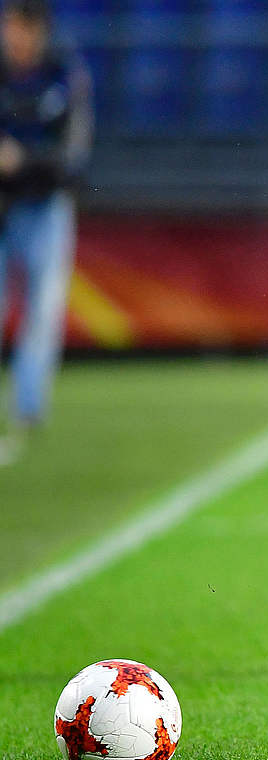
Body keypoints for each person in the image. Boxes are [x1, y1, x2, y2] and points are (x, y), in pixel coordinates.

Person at [0, 0, 91, 465]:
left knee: (41, 312)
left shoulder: (63, 74)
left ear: (39, 32)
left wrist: (24, 161)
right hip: (1, 205)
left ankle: (29, 408)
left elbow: (73, 156)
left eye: (21, 29)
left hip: (45, 205)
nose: (13, 38)